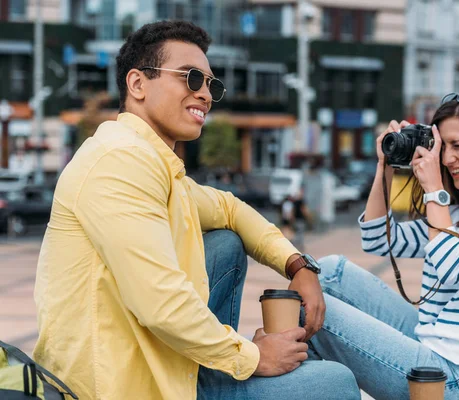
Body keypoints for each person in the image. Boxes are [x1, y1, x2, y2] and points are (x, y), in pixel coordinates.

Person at [33, 21, 359, 400]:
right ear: (137, 84)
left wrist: (298, 266)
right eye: (191, 79)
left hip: (165, 362)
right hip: (120, 387)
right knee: (334, 382)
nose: (205, 94)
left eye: (211, 85)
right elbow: (161, 305)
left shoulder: (155, 166)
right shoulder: (118, 163)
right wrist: (253, 357)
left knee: (225, 242)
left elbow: (230, 208)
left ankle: (212, 369)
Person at [305, 87, 459, 399]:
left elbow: (454, 268)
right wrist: (386, 166)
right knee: (327, 273)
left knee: (308, 309)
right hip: (432, 344)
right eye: (442, 147)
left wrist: (434, 188)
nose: (447, 159)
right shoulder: (457, 212)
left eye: (458, 146)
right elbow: (378, 238)